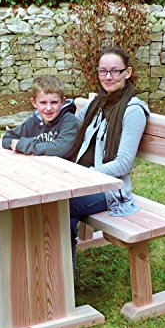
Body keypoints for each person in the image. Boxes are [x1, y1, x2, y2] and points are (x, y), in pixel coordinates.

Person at [69, 46, 150, 263]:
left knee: (56, 206)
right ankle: (59, 274)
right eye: (103, 71)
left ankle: (59, 275)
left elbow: (123, 164)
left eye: (115, 71)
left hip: (108, 190)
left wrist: (86, 176)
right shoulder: (96, 103)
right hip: (79, 181)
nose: (108, 77)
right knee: (57, 210)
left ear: (128, 72)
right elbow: (70, 131)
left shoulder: (133, 111)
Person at [1, 75, 78, 160]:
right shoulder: (32, 122)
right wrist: (22, 145)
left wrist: (26, 146)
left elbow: (61, 149)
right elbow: (7, 138)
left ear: (62, 101)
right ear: (34, 102)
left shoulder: (69, 122)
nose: (48, 108)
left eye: (54, 102)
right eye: (43, 102)